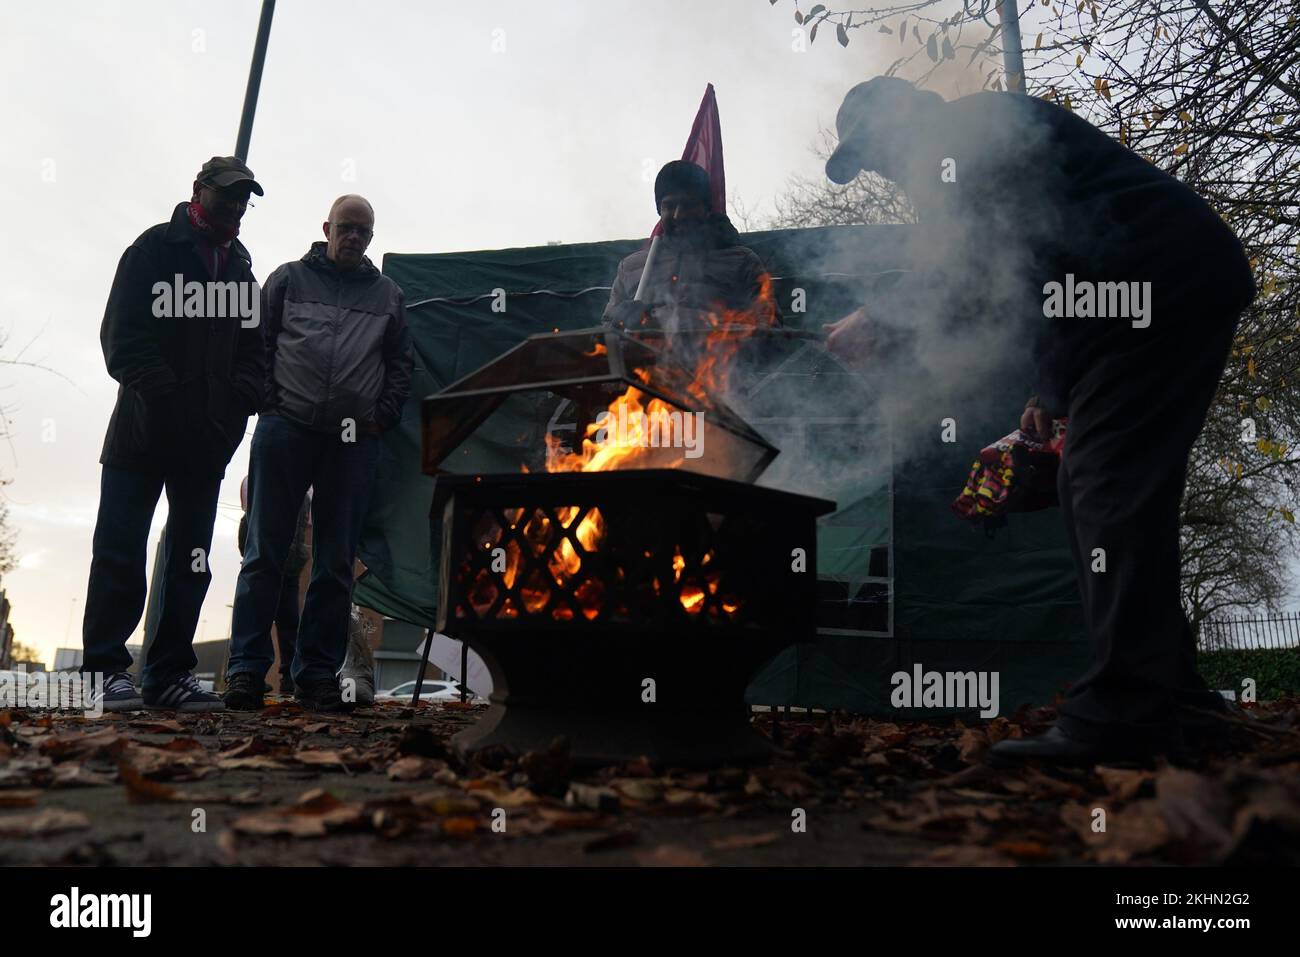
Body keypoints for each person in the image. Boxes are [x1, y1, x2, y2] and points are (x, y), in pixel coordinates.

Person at [822, 77, 1256, 765]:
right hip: (1151, 295)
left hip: (1160, 289)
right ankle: (1172, 697)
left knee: (1104, 485)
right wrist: (1048, 391)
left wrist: (884, 319)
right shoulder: (972, 149)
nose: (882, 168)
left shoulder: (976, 133)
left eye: (878, 151)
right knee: (1104, 489)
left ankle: (1127, 717)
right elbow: (1041, 270)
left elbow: (987, 265)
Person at [83, 156, 266, 712]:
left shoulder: (240, 268)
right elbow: (122, 340)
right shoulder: (153, 249)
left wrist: (236, 405)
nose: (234, 207)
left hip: (206, 443)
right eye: (225, 196)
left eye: (243, 199)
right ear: (198, 191)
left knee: (191, 558)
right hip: (142, 435)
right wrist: (169, 399)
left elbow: (254, 353)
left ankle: (167, 675)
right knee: (120, 549)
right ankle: (104, 672)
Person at [223, 195, 412, 713]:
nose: (353, 238)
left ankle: (316, 676)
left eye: (363, 232)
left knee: (334, 564)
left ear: (371, 238)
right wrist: (268, 403)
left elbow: (401, 365)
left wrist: (381, 416)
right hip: (286, 429)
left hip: (353, 442)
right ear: (327, 228)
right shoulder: (286, 280)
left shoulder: (387, 295)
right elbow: (256, 341)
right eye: (346, 228)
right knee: (264, 552)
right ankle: (245, 672)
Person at [603, 160, 779, 360]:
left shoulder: (741, 262)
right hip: (643, 385)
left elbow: (771, 332)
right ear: (659, 210)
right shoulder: (631, 267)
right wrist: (619, 321)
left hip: (719, 382)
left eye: (688, 205)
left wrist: (724, 334)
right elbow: (605, 340)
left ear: (706, 209)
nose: (678, 215)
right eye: (669, 205)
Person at [236, 477, 310, 695]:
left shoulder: (301, 496)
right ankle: (261, 673)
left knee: (282, 622)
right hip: (280, 567)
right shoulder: (299, 495)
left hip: (286, 568)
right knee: (278, 622)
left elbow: (247, 524)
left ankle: (276, 674)